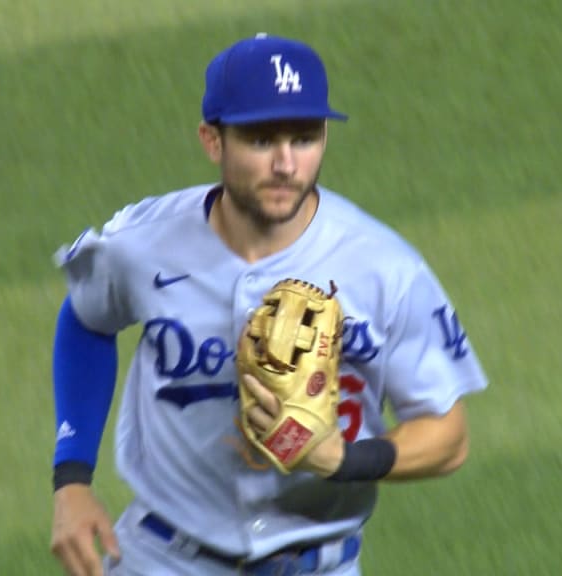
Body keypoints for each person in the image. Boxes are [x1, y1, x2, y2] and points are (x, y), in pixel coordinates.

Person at [48, 33, 488, 576]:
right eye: (261, 140)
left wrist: (344, 458)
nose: (286, 163)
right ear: (213, 141)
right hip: (162, 559)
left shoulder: (385, 269)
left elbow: (449, 436)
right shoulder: (140, 245)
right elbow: (86, 318)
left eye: (304, 138)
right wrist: (71, 479)